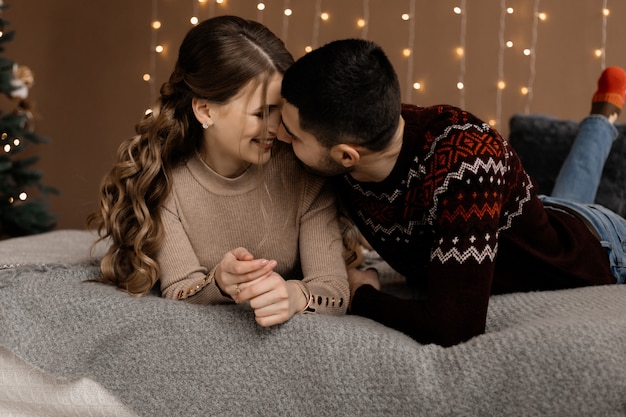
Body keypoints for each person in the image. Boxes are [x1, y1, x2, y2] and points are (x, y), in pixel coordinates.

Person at [277, 37, 626, 347]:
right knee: (561, 201)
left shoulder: (466, 165)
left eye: (293, 135)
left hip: (602, 247)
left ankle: (603, 118)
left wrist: (362, 293)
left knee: (574, 210)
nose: (280, 136)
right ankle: (603, 115)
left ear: (346, 155)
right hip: (519, 217)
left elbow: (454, 329)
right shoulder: (361, 126)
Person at [87, 16, 351, 327]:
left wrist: (295, 296)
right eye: (260, 113)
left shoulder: (303, 173)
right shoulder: (166, 185)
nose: (276, 127)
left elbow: (334, 290)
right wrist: (220, 283)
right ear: (205, 110)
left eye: (280, 109)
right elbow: (179, 289)